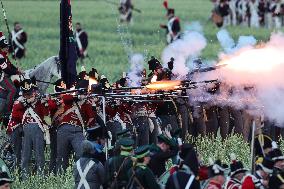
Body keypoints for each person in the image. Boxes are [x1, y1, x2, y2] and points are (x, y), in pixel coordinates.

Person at [48, 82, 96, 172]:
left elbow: (92, 119)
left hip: (77, 130)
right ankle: (60, 177)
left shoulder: (87, 104)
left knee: (81, 153)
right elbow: (65, 98)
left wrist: (93, 105)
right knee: (61, 156)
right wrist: (78, 97)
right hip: (63, 128)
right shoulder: (70, 99)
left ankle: (80, 173)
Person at [8, 79, 49, 179]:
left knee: (39, 155)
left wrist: (45, 102)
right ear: (23, 93)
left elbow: (45, 114)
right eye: (26, 93)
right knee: (25, 155)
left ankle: (41, 176)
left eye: (30, 93)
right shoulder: (19, 101)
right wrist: (29, 101)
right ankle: (24, 176)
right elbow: (18, 109)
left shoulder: (38, 101)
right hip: (25, 129)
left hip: (37, 129)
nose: (29, 95)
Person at [0, 32, 21, 115]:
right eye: (5, 47)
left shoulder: (4, 54)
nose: (7, 48)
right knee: (12, 89)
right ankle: (7, 109)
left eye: (7, 47)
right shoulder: (0, 57)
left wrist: (17, 70)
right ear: (1, 48)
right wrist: (16, 72)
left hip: (4, 73)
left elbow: (10, 65)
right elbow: (7, 70)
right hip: (1, 76)